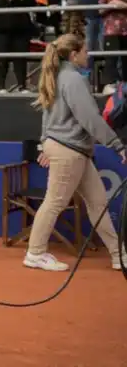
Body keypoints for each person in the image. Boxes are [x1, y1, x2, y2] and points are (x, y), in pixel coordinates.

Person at [25, 34, 125, 272]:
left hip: (71, 149)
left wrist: (44, 143)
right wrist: (118, 145)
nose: (88, 55)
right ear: (74, 54)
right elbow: (90, 119)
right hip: (69, 150)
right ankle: (35, 252)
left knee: (98, 203)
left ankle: (118, 255)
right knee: (55, 202)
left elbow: (47, 117)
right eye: (85, 51)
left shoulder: (58, 77)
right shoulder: (73, 79)